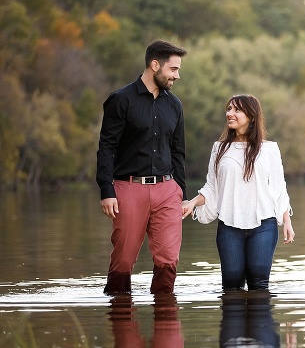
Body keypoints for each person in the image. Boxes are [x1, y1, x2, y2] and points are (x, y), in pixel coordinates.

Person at [97, 40, 188, 295]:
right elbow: (107, 147)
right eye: (173, 69)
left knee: (168, 260)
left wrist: (181, 193)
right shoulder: (121, 100)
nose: (177, 76)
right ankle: (119, 309)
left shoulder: (175, 105)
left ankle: (165, 312)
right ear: (155, 65)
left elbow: (178, 152)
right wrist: (106, 190)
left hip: (167, 190)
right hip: (128, 187)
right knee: (123, 260)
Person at [181, 94, 294, 290]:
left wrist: (287, 222)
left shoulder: (269, 150)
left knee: (259, 285)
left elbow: (278, 188)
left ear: (251, 116)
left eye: (236, 110)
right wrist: (191, 202)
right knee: (231, 287)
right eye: (229, 109)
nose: (230, 114)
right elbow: (212, 187)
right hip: (229, 226)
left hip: (264, 225)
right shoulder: (219, 149)